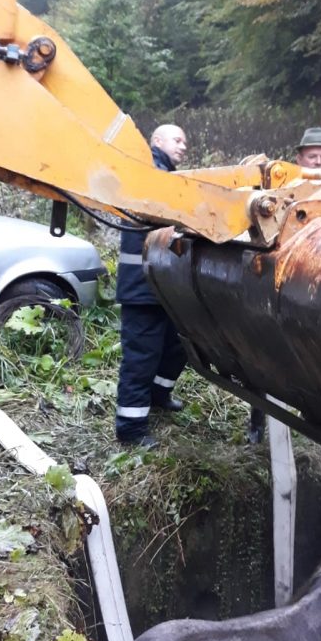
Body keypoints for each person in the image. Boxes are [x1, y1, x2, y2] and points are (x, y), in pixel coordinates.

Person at [246, 126, 321, 445]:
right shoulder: (282, 189)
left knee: (313, 359)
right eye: (312, 156)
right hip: (276, 282)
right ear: (299, 158)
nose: (319, 162)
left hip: (315, 288)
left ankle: (316, 421)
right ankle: (258, 421)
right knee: (265, 357)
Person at [115, 124, 188, 449]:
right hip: (142, 289)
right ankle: (131, 428)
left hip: (162, 288)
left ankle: (159, 395)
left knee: (177, 346)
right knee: (141, 359)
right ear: (156, 141)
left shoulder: (165, 177)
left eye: (185, 142)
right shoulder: (150, 176)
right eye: (177, 140)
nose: (183, 146)